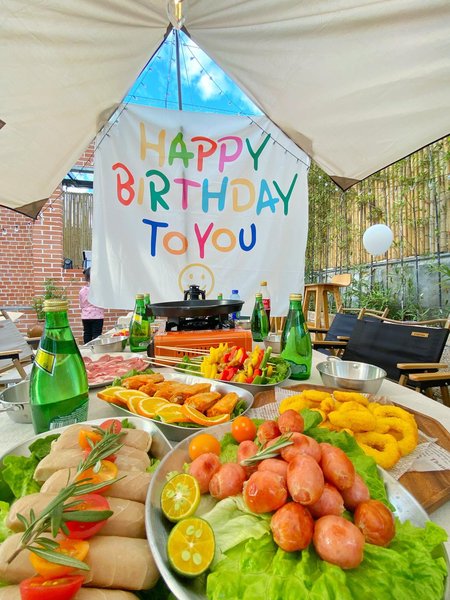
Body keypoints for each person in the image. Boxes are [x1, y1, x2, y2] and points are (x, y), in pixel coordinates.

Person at [79, 267, 104, 344]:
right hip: (98, 315)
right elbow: (102, 302)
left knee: (87, 333)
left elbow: (82, 304)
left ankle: (87, 348)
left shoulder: (82, 291)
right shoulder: (100, 290)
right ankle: (97, 348)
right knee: (97, 334)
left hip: (85, 316)